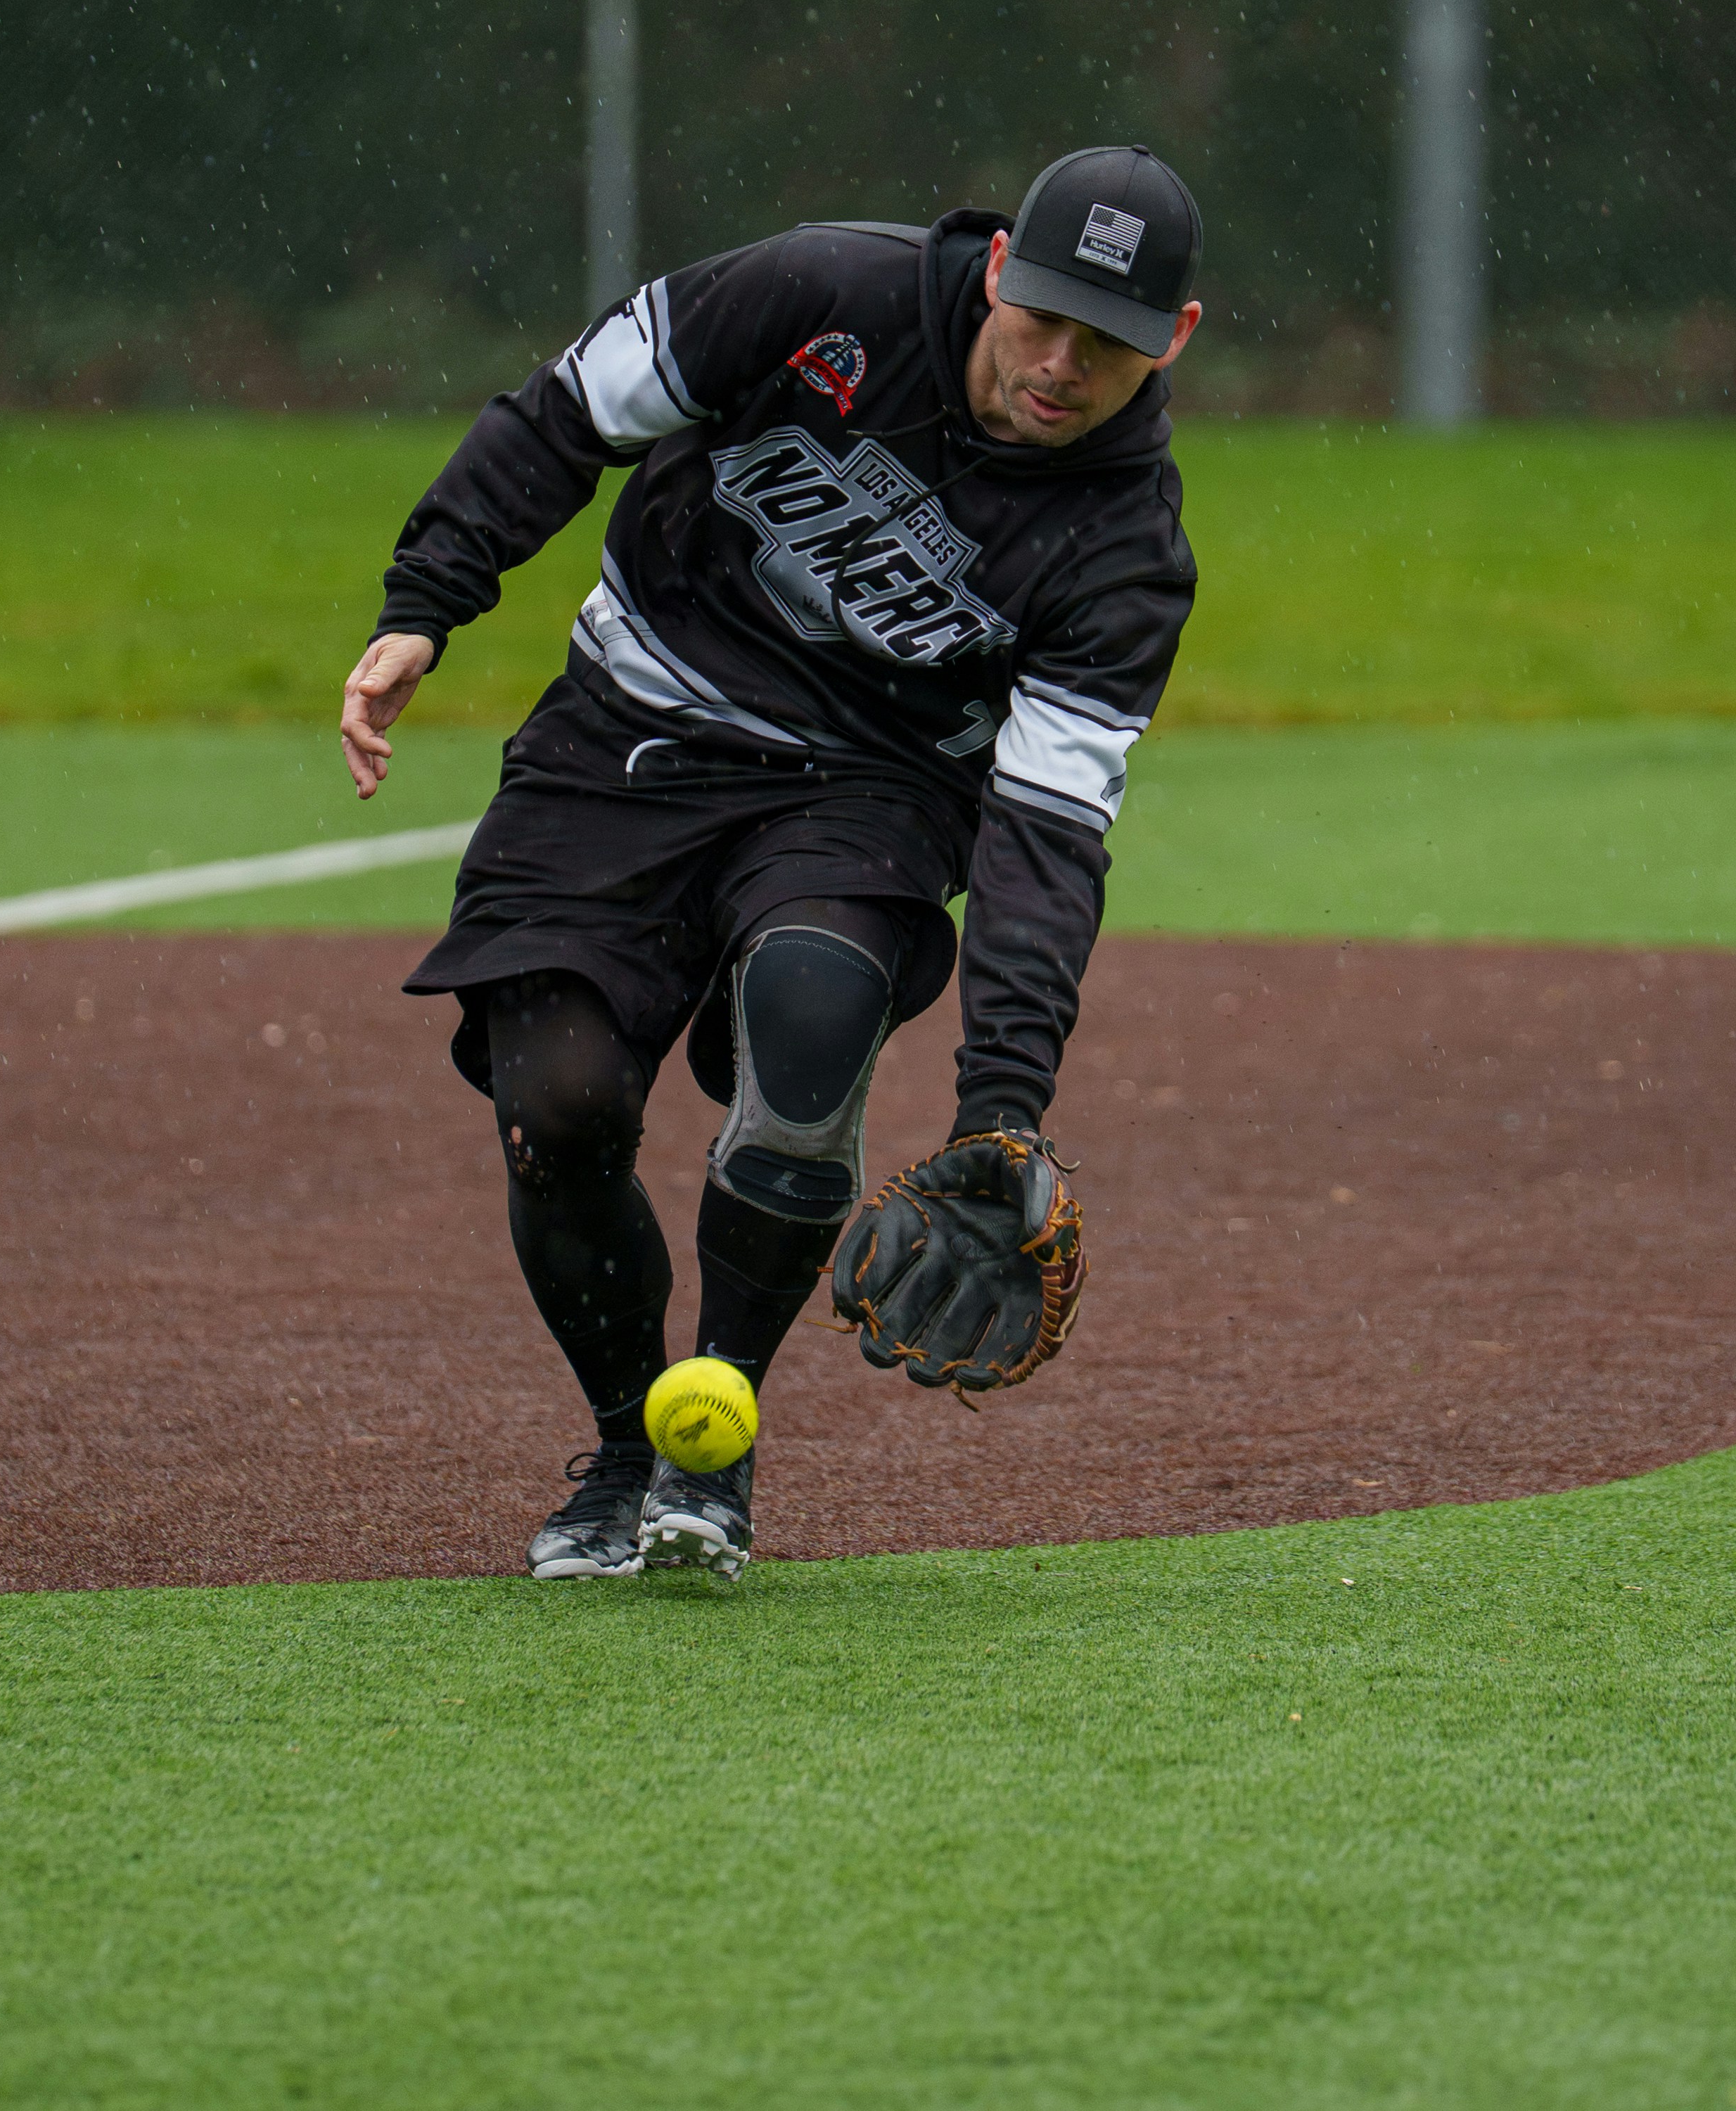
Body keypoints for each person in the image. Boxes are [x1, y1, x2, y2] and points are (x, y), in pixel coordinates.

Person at [340, 144, 1202, 1580]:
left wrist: (1001, 1114)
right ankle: (628, 1447)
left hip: (870, 789)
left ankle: (710, 1451)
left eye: (1108, 345)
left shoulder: (1122, 550)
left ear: (1173, 341)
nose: (1059, 364)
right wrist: (432, 595)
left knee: (807, 1018)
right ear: (996, 269)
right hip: (636, 720)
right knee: (554, 1100)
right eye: (1040, 316)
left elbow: (1048, 842)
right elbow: (571, 411)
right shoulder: (817, 292)